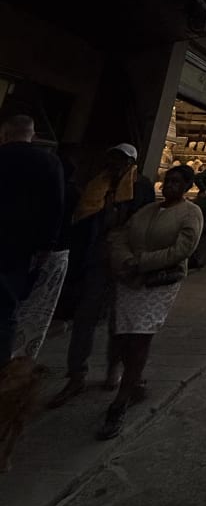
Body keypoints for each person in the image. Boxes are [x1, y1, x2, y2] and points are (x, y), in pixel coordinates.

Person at [99, 164, 203, 439]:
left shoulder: (191, 212)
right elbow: (121, 236)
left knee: (140, 337)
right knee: (122, 334)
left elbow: (183, 249)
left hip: (159, 282)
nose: (169, 185)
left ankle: (122, 398)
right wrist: (124, 261)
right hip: (130, 279)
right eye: (167, 180)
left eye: (176, 182)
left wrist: (142, 262)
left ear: (188, 186)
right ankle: (132, 381)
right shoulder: (147, 210)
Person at [48, 143, 139, 407]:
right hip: (94, 262)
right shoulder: (95, 186)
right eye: (113, 158)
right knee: (84, 319)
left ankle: (114, 368)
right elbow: (81, 223)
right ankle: (76, 374)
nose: (116, 164)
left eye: (122, 160)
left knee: (118, 321)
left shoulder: (138, 188)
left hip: (123, 263)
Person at [0, 115, 65, 366]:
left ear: (5, 134)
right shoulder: (49, 162)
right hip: (19, 250)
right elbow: (55, 207)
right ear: (33, 134)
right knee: (6, 311)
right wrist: (46, 246)